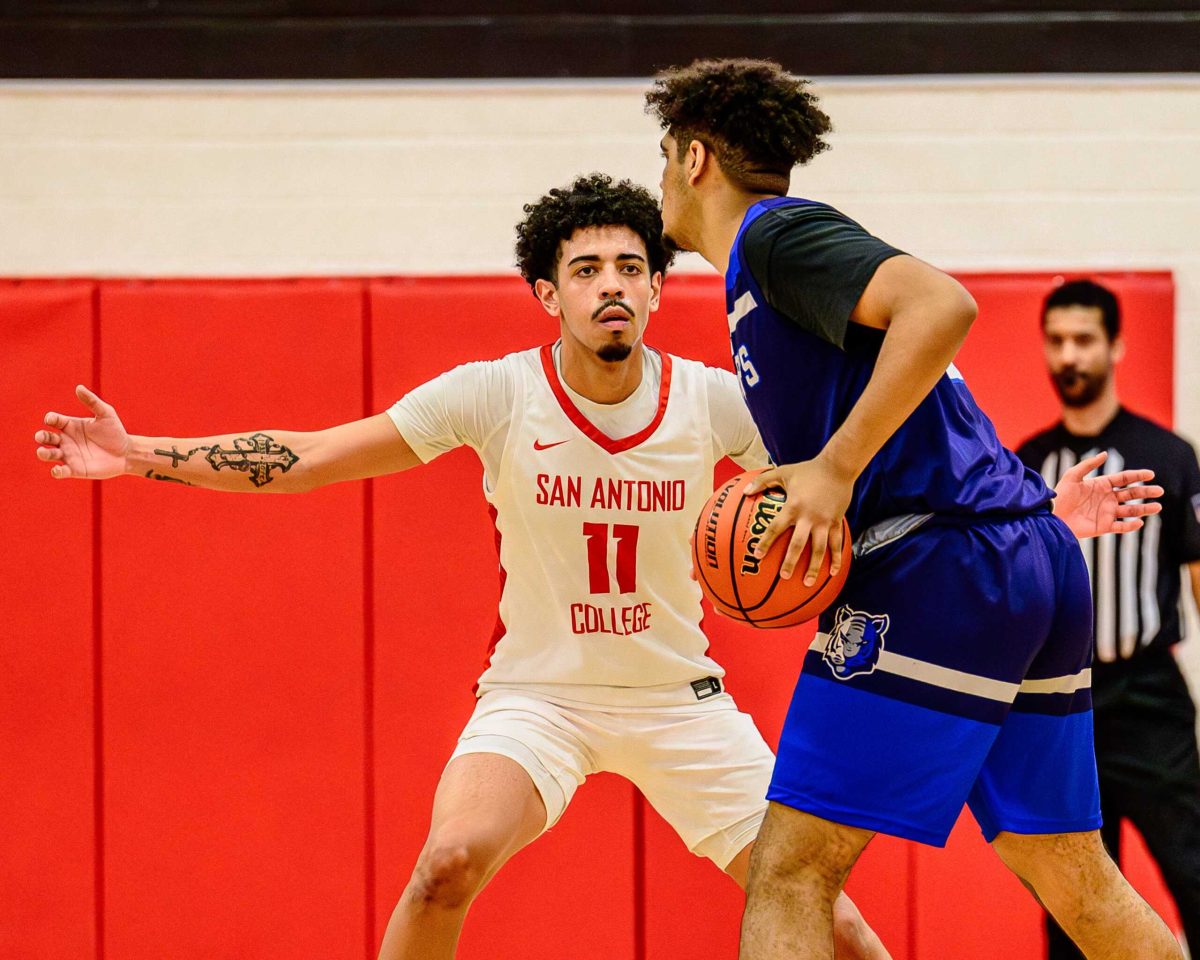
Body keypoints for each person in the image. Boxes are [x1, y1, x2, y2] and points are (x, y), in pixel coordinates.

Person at [32, 174, 1157, 960]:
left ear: (659, 291)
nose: (613, 282)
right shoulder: (494, 393)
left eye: (632, 265)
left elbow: (877, 466)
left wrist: (1037, 506)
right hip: (541, 696)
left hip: (684, 699)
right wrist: (145, 457)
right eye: (587, 269)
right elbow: (319, 457)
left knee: (842, 928)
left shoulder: (719, 399)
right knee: (445, 865)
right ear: (549, 293)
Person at [644, 58, 1182, 960]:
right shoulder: (783, 269)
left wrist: (833, 471)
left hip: (940, 570)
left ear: (696, 158)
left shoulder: (777, 237)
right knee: (1076, 878)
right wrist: (1030, 514)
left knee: (790, 870)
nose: (660, 176)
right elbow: (935, 400)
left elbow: (942, 306)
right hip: (1013, 548)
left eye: (663, 155)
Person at [1017, 278, 1200, 959]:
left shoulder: (1170, 456)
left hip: (1149, 695)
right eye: (1057, 340)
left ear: (1116, 346)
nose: (1069, 355)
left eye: (1084, 340)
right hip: (1061, 701)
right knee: (1072, 895)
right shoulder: (1027, 466)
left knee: (1193, 867)